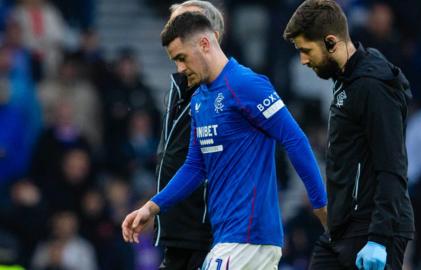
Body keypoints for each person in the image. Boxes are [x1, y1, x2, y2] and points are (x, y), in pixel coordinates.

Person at [122, 12, 328, 269]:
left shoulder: (246, 84)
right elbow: (195, 167)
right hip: (229, 237)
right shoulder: (200, 99)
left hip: (248, 236)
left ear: (205, 44)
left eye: (182, 58)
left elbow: (295, 139)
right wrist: (152, 207)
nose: (180, 68)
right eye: (175, 61)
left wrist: (321, 205)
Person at [283, 0, 415, 269]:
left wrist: (378, 239)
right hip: (342, 229)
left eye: (306, 50)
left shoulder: (373, 86)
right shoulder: (347, 81)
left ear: (331, 42)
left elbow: (392, 166)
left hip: (373, 230)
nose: (303, 60)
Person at [153, 1, 224, 269]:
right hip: (176, 229)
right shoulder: (178, 85)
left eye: (183, 25)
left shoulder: (228, 89)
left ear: (209, 38)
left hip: (207, 232)